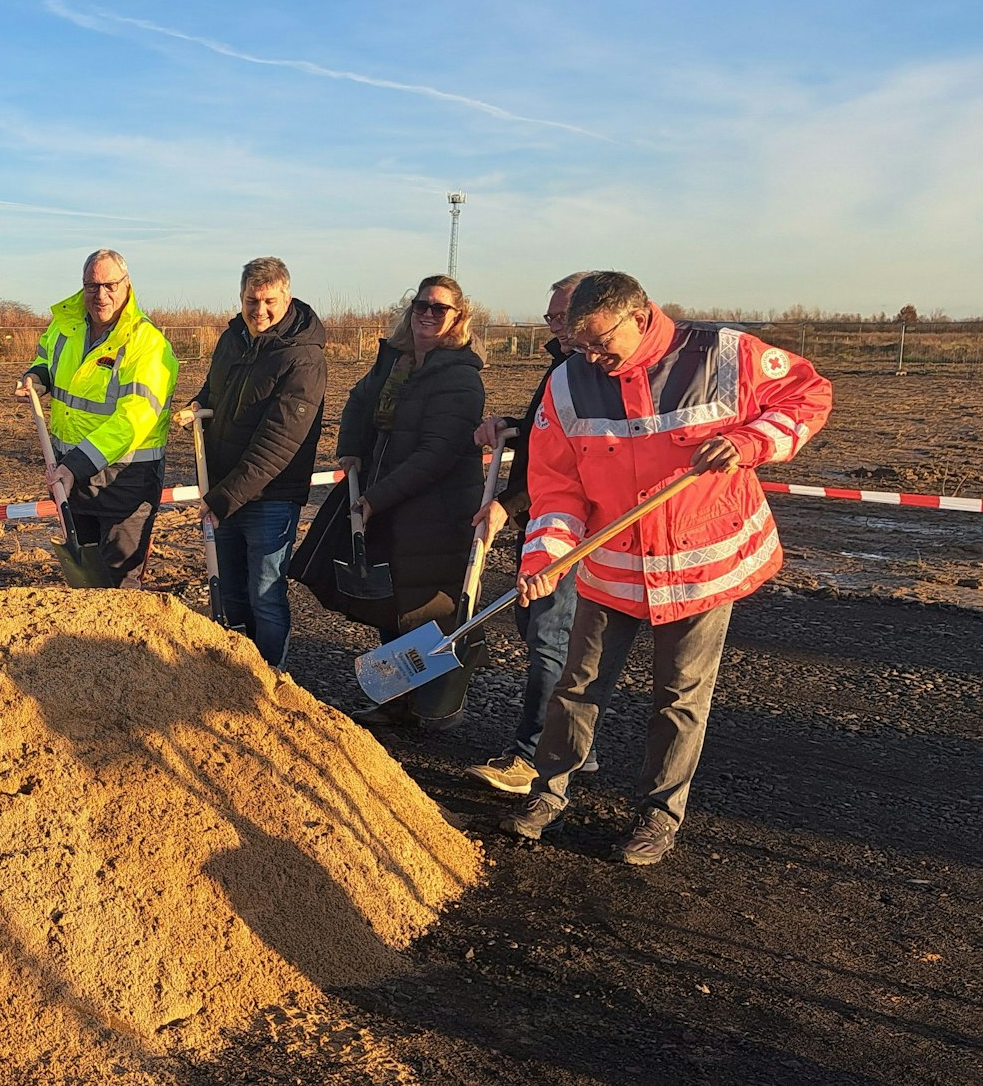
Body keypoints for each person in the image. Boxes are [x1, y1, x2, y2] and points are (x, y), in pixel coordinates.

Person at [502, 271, 832, 865]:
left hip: (701, 568)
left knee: (679, 698)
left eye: (602, 342)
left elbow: (808, 394)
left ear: (640, 314)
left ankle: (659, 817)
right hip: (611, 567)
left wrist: (753, 440)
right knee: (577, 688)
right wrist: (546, 556)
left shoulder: (724, 355)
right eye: (580, 345)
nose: (592, 357)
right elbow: (556, 484)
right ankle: (549, 791)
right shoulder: (567, 382)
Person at [463, 272, 625, 793]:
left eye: (561, 317)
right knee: (535, 624)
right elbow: (544, 433)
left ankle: (533, 755)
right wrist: (508, 423)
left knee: (553, 639)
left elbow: (572, 466)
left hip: (570, 529)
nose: (554, 325)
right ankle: (579, 747)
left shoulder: (593, 376)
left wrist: (507, 507)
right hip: (540, 521)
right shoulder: (564, 368)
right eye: (552, 316)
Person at [331, 275, 486, 728]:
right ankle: (396, 699)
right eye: (422, 306)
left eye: (441, 309)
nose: (428, 315)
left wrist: (375, 499)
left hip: (434, 513)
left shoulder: (460, 378)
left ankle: (434, 706)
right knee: (391, 606)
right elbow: (359, 401)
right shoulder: (395, 365)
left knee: (425, 613)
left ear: (459, 317)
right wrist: (351, 447)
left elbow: (434, 455)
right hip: (391, 504)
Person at [174, 257, 328, 666]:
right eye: (251, 301)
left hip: (270, 496)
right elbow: (214, 388)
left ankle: (269, 676)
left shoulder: (303, 358)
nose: (259, 311)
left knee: (265, 594)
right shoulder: (232, 339)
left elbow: (277, 444)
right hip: (223, 486)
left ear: (287, 297)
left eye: (269, 301)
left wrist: (223, 499)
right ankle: (236, 672)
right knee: (230, 589)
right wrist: (198, 404)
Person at [15, 249, 178, 587]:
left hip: (125, 481)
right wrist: (37, 378)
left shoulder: (146, 344)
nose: (100, 295)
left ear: (127, 285)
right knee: (85, 583)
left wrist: (75, 465)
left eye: (110, 285)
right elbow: (47, 359)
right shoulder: (66, 325)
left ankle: (117, 641)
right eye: (92, 286)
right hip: (73, 475)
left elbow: (133, 419)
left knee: (119, 587)